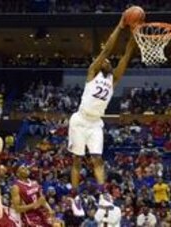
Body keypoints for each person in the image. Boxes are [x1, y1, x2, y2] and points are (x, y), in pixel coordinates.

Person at [68, 11, 137, 191]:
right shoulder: (92, 72)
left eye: (108, 61)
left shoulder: (113, 80)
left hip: (95, 122)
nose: (106, 61)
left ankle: (103, 193)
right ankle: (74, 194)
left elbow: (126, 55)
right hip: (80, 119)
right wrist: (120, 26)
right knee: (77, 159)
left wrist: (134, 33)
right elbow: (106, 50)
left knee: (97, 158)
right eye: (103, 61)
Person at [11, 163, 56, 227]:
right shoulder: (16, 187)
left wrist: (50, 210)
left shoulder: (35, 182)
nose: (26, 169)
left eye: (25, 167)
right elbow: (17, 209)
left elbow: (42, 200)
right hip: (30, 219)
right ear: (18, 173)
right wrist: (34, 205)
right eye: (23, 168)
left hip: (41, 215)